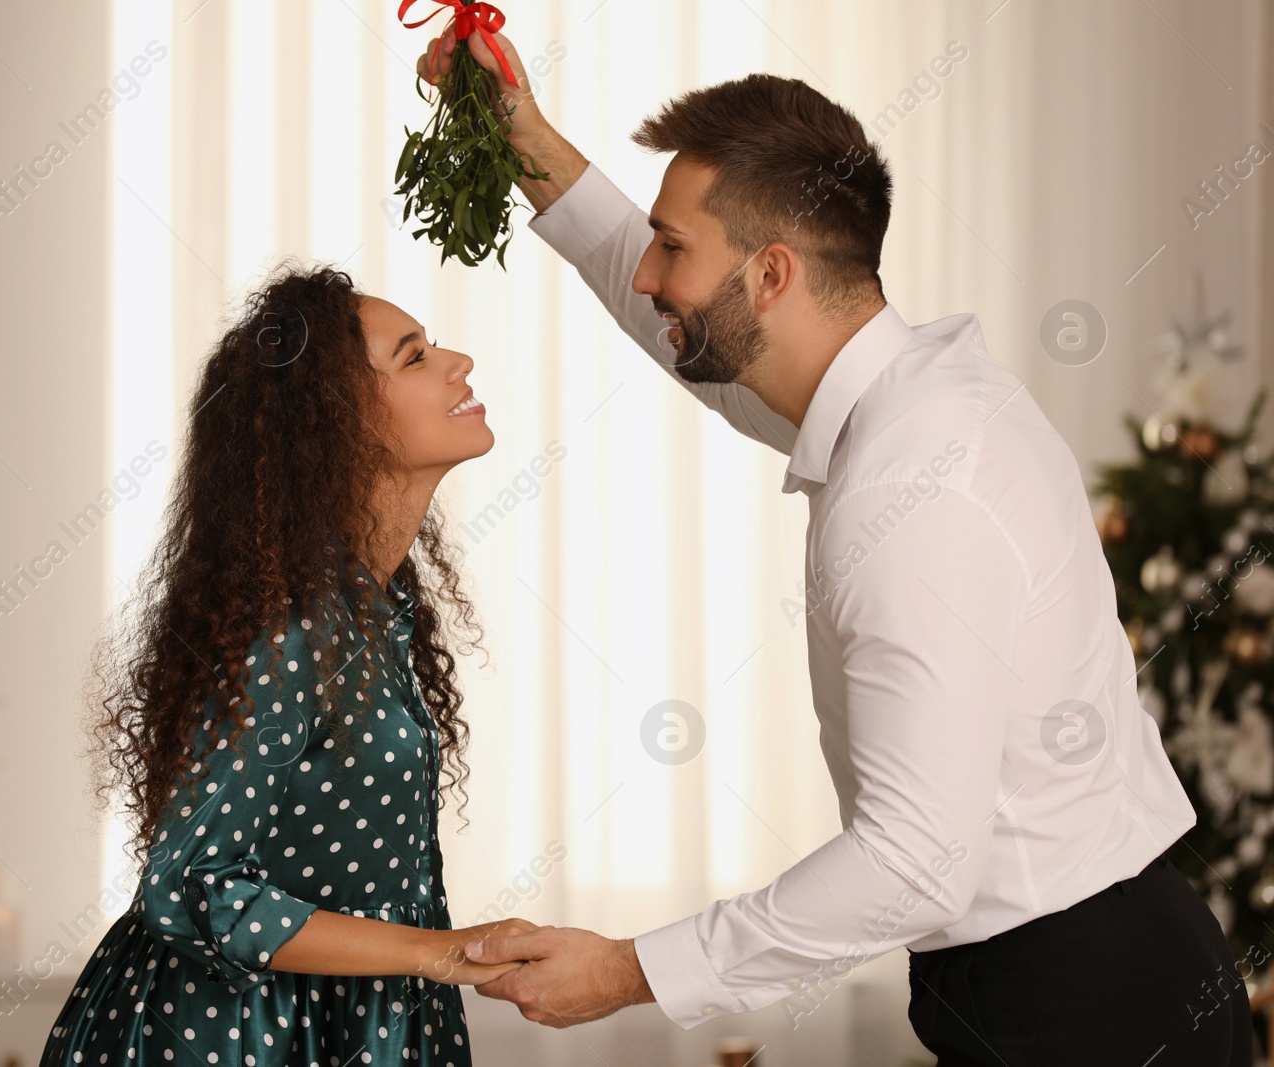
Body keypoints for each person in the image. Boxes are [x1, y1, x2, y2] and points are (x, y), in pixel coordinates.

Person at [414, 27, 1255, 1066]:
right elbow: (689, 340)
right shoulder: (908, 393)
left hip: (1080, 1005)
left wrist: (631, 969)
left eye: (671, 247)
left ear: (770, 275)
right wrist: (519, 135)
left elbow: (916, 860)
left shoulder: (910, 484)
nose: (647, 277)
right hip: (1086, 963)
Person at [39, 262, 532, 1067]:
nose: (459, 363)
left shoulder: (376, 612)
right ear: (337, 422)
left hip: (333, 1023)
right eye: (413, 357)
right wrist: (441, 953)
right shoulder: (294, 631)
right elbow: (191, 885)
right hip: (226, 1038)